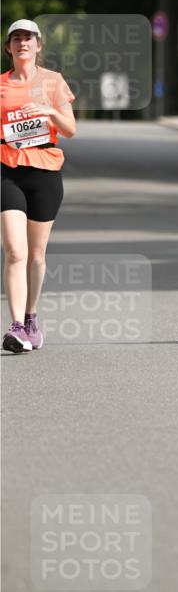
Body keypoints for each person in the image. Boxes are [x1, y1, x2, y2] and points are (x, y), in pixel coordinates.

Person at [1, 19, 76, 353]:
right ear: (8, 47)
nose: (22, 43)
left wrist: (49, 111)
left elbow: (70, 129)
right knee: (14, 251)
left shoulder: (53, 81)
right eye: (16, 38)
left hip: (45, 172)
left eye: (28, 38)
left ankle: (31, 318)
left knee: (36, 254)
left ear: (38, 45)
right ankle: (16, 326)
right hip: (7, 171)